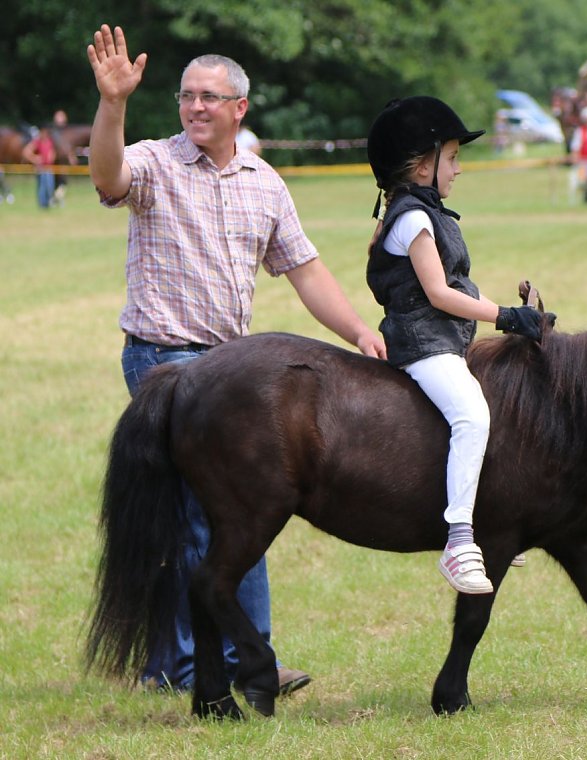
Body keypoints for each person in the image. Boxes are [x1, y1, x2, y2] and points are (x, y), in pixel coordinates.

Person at [86, 24, 386, 693]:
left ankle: (185, 662)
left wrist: (359, 333)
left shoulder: (263, 182)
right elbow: (107, 175)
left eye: (210, 97)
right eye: (187, 96)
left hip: (232, 375)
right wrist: (113, 104)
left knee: (228, 513)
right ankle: (233, 664)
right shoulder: (156, 165)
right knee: (221, 515)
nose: (195, 107)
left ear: (239, 109)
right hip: (161, 361)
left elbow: (305, 271)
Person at [365, 96, 551, 593]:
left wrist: (521, 313)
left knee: (490, 409)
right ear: (423, 166)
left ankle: (486, 521)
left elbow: (458, 290)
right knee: (473, 416)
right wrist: (506, 318)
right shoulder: (413, 220)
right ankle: (460, 541)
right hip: (424, 346)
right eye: (452, 158)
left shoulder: (424, 214)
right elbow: (440, 294)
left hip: (441, 340)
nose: (459, 169)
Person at [21, 123, 56, 209]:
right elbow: (26, 151)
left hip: (49, 168)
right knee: (42, 187)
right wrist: (34, 158)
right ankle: (42, 205)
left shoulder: (49, 141)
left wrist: (52, 157)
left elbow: (53, 152)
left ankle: (48, 203)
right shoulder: (37, 141)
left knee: (50, 186)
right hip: (41, 168)